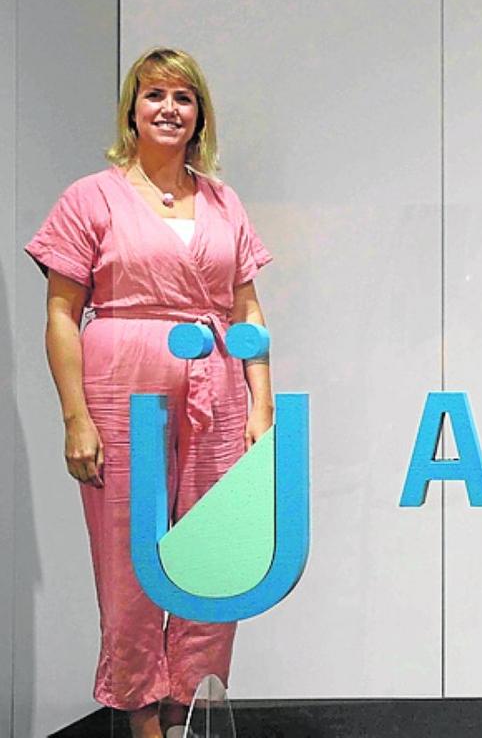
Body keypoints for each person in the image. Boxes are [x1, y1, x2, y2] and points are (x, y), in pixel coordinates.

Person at [25, 47, 273, 738]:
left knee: (216, 546)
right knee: (128, 548)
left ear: (200, 116)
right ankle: (139, 712)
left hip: (217, 388)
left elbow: (247, 309)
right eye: (154, 94)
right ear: (132, 110)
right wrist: (75, 417)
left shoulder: (223, 201)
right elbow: (61, 314)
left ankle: (190, 701)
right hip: (119, 384)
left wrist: (261, 403)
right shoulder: (90, 197)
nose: (168, 108)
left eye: (183, 97)